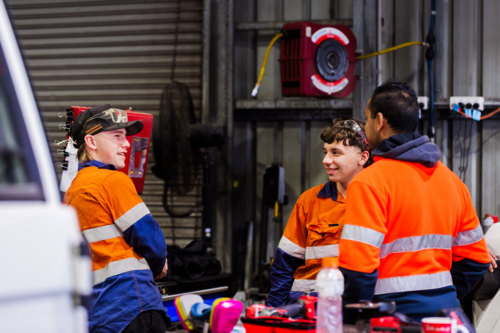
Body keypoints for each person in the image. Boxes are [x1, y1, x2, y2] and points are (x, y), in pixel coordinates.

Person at [338, 79, 491, 323]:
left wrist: (350, 321)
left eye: (366, 119)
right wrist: (440, 297)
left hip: (392, 321)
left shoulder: (368, 183)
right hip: (447, 320)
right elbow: (477, 261)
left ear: (379, 122)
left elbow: (358, 271)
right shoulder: (453, 183)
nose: (366, 126)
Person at [64, 104, 170, 333]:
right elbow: (151, 240)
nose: (127, 144)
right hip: (133, 306)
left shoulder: (72, 193)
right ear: (91, 142)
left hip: (101, 316)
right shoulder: (112, 180)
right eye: (117, 136)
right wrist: (161, 263)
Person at [267, 118, 370, 307]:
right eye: (325, 152)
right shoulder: (309, 201)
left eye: (336, 153)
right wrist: (274, 312)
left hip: (354, 307)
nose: (326, 160)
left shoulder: (376, 202)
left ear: (362, 157)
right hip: (304, 306)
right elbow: (284, 266)